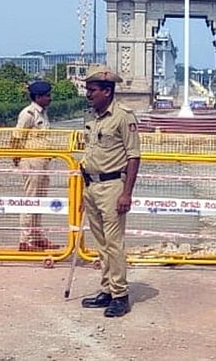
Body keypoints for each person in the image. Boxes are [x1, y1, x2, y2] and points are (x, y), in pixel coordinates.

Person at [79, 66, 141, 318]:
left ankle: (120, 295)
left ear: (107, 91)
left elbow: (134, 157)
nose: (88, 94)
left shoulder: (124, 117)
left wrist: (126, 193)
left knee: (114, 244)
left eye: (92, 90)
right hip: (91, 186)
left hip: (113, 186)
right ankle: (106, 288)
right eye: (88, 90)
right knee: (101, 244)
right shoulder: (91, 118)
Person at [12, 80, 59, 251]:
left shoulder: (43, 113)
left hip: (43, 161)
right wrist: (17, 158)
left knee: (40, 200)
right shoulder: (28, 114)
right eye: (47, 96)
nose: (50, 98)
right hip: (31, 161)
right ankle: (25, 240)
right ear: (38, 97)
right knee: (31, 200)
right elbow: (16, 138)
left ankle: (37, 236)